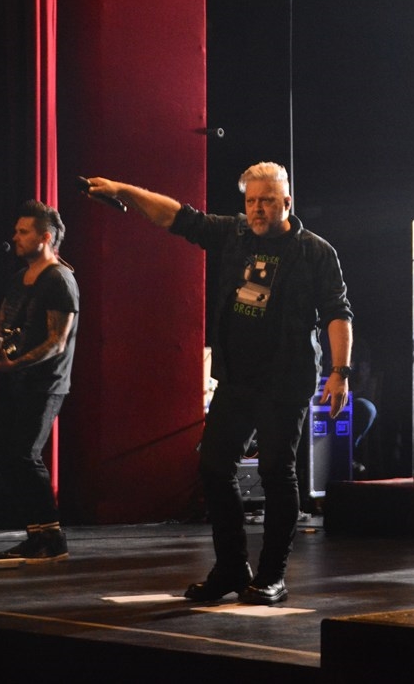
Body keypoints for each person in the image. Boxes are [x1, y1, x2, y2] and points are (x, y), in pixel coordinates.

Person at [84, 163, 353, 605]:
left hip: (285, 380)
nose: (257, 209)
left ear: (287, 203)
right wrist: (122, 189)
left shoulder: (314, 252)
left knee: (276, 472)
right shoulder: (234, 235)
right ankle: (231, 567)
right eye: (251, 201)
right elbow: (177, 216)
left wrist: (340, 372)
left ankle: (272, 576)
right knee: (214, 466)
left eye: (267, 201)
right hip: (236, 377)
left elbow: (338, 312)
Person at [0, 200, 79, 561]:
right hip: (15, 381)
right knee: (10, 457)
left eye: (23, 232)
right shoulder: (17, 280)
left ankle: (53, 538)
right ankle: (36, 534)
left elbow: (57, 342)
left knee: (25, 454)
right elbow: (1, 327)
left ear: (45, 237)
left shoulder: (59, 279)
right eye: (16, 231)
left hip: (45, 383)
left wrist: (14, 365)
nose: (15, 237)